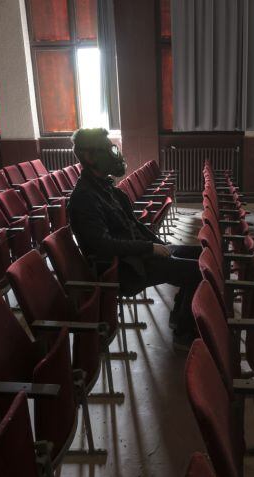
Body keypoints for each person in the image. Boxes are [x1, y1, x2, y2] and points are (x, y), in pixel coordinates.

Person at [67, 128, 201, 348]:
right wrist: (149, 248)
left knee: (200, 254)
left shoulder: (109, 189)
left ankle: (179, 316)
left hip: (137, 256)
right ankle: (184, 334)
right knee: (195, 271)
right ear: (90, 157)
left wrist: (158, 245)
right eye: (107, 149)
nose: (114, 154)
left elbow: (134, 224)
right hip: (125, 268)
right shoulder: (83, 198)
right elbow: (104, 245)